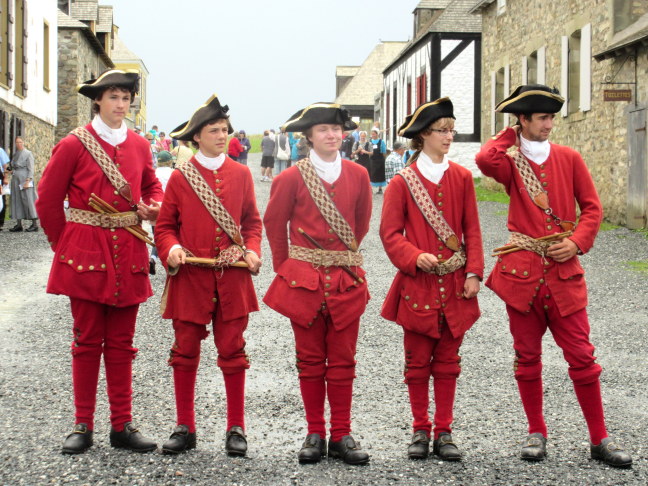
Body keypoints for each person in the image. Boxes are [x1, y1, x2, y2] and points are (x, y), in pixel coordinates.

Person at [475, 84, 632, 468]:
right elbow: (483, 157)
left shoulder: (570, 158)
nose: (549, 125)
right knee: (526, 358)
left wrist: (577, 243)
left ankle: (599, 439)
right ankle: (536, 432)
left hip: (563, 271)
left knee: (582, 357)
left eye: (551, 118)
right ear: (523, 120)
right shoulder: (510, 161)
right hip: (522, 274)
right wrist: (510, 133)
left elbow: (592, 209)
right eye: (541, 118)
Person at [35, 69, 162, 455]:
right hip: (86, 252)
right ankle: (83, 424)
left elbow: (152, 185)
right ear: (97, 100)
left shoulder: (140, 145)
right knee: (86, 342)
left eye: (126, 98)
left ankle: (122, 425)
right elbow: (46, 199)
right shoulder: (75, 144)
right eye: (113, 98)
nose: (121, 105)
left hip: (130, 250)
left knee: (123, 344)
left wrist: (152, 207)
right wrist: (67, 245)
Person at [263, 102, 372, 465]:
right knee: (309, 360)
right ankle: (314, 432)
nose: (331, 135)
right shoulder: (289, 178)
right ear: (308, 137)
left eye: (336, 129)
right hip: (304, 281)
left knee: (343, 360)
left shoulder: (358, 174)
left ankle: (341, 434)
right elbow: (274, 225)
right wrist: (287, 270)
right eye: (323, 129)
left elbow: (360, 225)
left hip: (345, 278)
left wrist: (339, 257)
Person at [155, 95, 262, 456]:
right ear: (196, 137)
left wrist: (252, 250)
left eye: (225, 129)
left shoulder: (242, 173)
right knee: (184, 351)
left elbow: (251, 223)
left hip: (232, 277)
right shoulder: (181, 178)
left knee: (234, 350)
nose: (222, 135)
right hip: (191, 277)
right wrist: (170, 249)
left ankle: (236, 427)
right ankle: (185, 426)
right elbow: (166, 226)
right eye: (214, 130)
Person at [380, 98, 483, 461]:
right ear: (423, 135)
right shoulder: (402, 183)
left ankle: (444, 431)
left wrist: (473, 273)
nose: (449, 136)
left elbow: (472, 228)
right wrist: (412, 255)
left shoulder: (463, 177)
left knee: (449, 362)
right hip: (418, 285)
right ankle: (420, 430)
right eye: (443, 130)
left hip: (456, 284)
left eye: (452, 130)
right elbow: (390, 233)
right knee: (417, 362)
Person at [149, 150, 174, 275]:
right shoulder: (173, 173)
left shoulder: (153, 173)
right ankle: (167, 263)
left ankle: (153, 257)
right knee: (169, 236)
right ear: (169, 161)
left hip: (154, 206)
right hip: (168, 207)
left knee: (157, 235)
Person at [8, 137, 39, 232]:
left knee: (28, 199)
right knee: (17, 199)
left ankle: (34, 224)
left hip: (25, 179)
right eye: (17, 142)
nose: (19, 144)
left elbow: (31, 168)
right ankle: (19, 224)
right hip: (16, 179)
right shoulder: (15, 154)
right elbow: (14, 166)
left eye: (20, 142)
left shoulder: (28, 154)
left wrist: (28, 180)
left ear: (23, 142)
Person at [369, 128, 387, 194]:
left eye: (373, 134)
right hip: (372, 160)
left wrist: (384, 159)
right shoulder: (370, 141)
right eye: (372, 134)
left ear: (377, 134)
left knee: (380, 174)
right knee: (372, 174)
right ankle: (370, 188)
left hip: (380, 160)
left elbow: (384, 151)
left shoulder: (381, 141)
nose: (372, 135)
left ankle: (380, 189)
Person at [0, 146, 9, 230]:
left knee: (1, 199)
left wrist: (5, 177)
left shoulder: (0, 150)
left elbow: (5, 166)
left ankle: (0, 221)